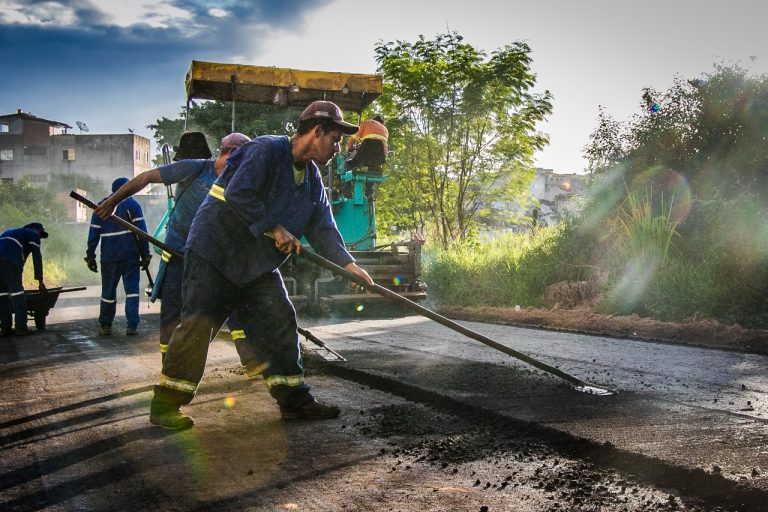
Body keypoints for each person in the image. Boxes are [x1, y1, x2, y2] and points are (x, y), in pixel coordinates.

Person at [149, 100, 374, 430]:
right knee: (198, 326)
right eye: (336, 139)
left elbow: (323, 227)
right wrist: (276, 228)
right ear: (317, 131)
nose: (337, 148)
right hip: (216, 254)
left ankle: (295, 400)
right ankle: (165, 405)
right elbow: (239, 193)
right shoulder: (266, 151)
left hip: (255, 265)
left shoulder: (312, 181)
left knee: (279, 321)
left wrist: (348, 264)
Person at [94, 132, 255, 365]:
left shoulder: (238, 183)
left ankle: (251, 360)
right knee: (173, 312)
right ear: (230, 153)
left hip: (213, 256)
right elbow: (146, 177)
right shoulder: (195, 168)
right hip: (179, 252)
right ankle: (168, 365)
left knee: (233, 304)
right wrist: (112, 202)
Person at [86, 178, 151, 336]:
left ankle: (106, 325)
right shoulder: (133, 205)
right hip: (130, 257)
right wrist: (145, 254)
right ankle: (132, 326)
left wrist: (90, 255)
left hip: (109, 257)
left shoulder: (101, 207)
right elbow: (141, 233)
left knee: (108, 292)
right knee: (132, 291)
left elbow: (93, 234)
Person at [0, 223, 48, 336]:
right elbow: (37, 258)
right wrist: (40, 281)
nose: (40, 237)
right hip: (9, 261)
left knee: (2, 295)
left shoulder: (10, 232)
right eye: (40, 234)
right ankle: (21, 327)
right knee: (17, 294)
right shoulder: (32, 234)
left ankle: (5, 328)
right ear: (35, 229)